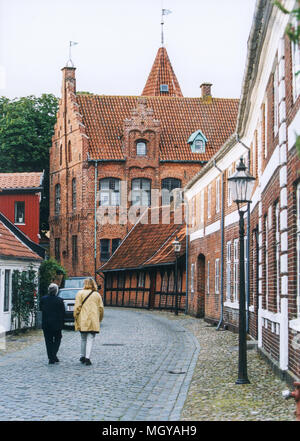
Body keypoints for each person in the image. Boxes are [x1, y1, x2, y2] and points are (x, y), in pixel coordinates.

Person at [73, 278, 104, 366]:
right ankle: (87, 358)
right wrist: (99, 319)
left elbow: (77, 307)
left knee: (83, 338)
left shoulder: (80, 293)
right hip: (93, 320)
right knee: (90, 339)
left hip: (83, 319)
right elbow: (101, 308)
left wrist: (75, 316)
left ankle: (82, 356)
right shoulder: (97, 295)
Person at [40, 283, 65, 364]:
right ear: (56, 291)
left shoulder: (43, 299)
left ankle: (51, 357)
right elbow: (63, 313)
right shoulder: (60, 300)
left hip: (46, 324)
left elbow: (41, 308)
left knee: (48, 341)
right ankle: (53, 355)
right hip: (57, 324)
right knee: (57, 339)